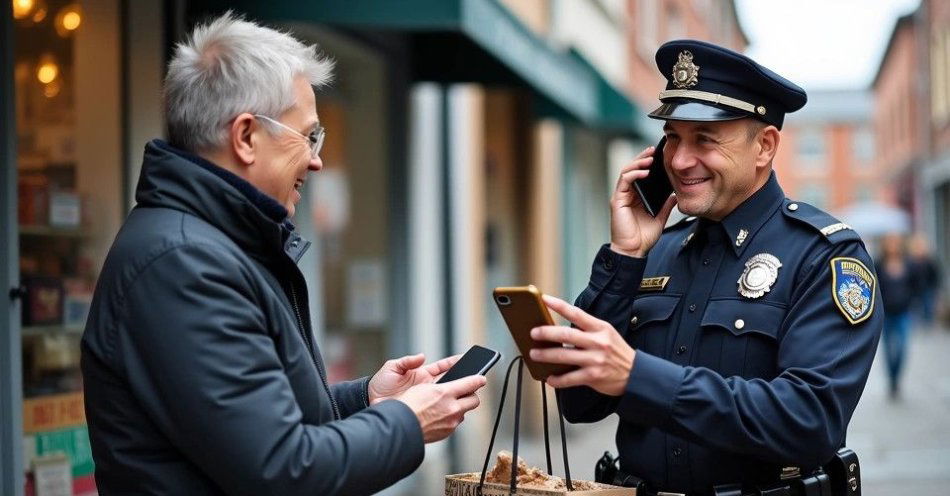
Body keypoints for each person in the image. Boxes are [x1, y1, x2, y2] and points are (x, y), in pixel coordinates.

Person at [80, 13, 485, 496]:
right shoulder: (185, 263)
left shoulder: (212, 245)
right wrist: (407, 423)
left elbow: (258, 424)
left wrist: (367, 398)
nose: (316, 159)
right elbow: (282, 470)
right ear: (246, 136)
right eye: (308, 135)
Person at [529, 40, 883, 494]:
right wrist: (624, 256)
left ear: (765, 147)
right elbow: (579, 404)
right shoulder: (656, 250)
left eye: (705, 139)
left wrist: (639, 377)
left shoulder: (823, 256)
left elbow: (809, 420)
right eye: (672, 137)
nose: (678, 160)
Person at [877, 233, 915, 398]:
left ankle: (896, 377)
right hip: (885, 314)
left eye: (895, 243)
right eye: (890, 242)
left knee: (901, 348)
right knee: (888, 350)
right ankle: (891, 380)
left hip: (903, 312)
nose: (893, 246)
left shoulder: (908, 263)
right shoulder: (878, 264)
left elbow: (915, 284)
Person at [908, 233, 942, 328]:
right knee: (914, 309)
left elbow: (935, 275)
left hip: (927, 289)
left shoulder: (929, 261)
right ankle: (916, 325)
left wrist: (935, 288)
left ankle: (927, 325)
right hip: (914, 290)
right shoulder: (910, 261)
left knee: (927, 308)